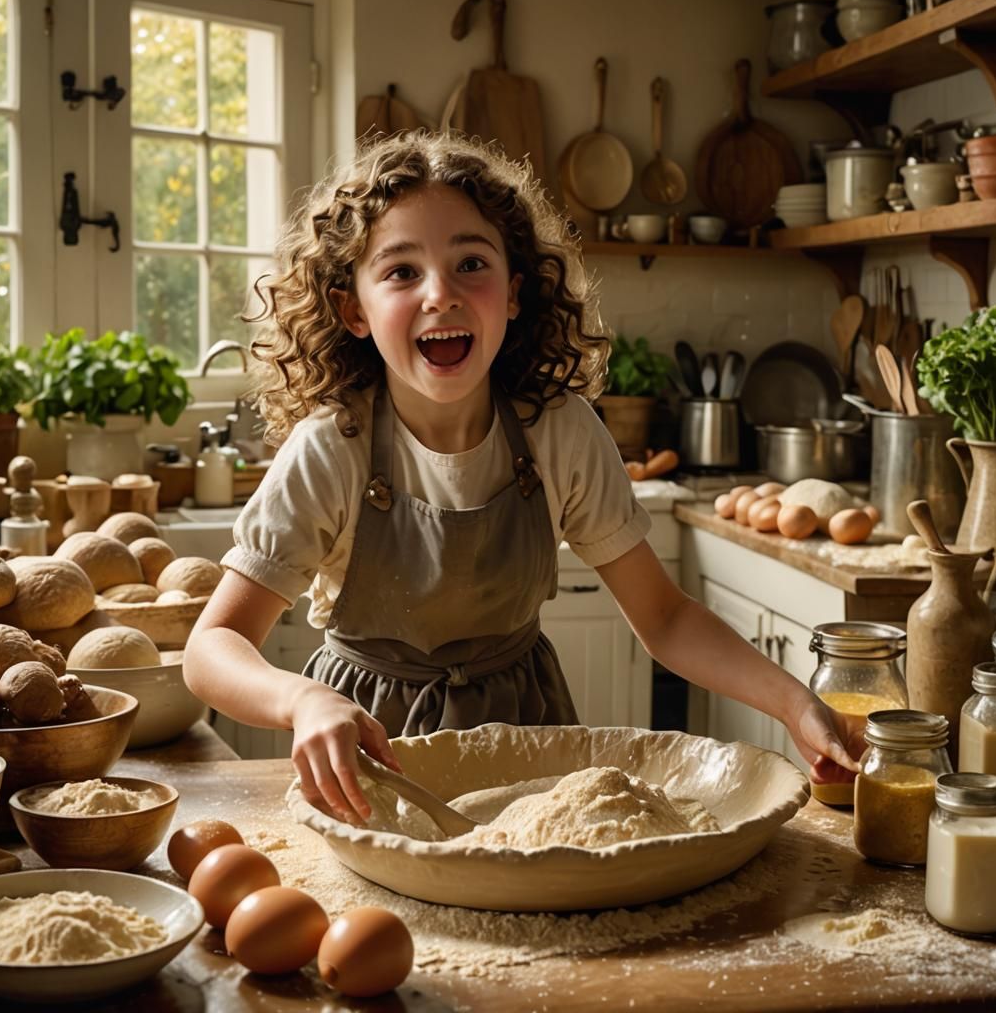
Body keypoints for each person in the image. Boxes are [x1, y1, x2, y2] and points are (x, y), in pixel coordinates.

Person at [184, 130, 863, 828]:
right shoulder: (332, 449)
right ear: (352, 310)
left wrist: (794, 701)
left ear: (513, 294)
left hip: (529, 752)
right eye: (401, 272)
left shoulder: (559, 431)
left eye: (470, 263)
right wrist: (301, 702)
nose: (440, 294)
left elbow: (663, 618)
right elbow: (212, 649)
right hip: (373, 761)